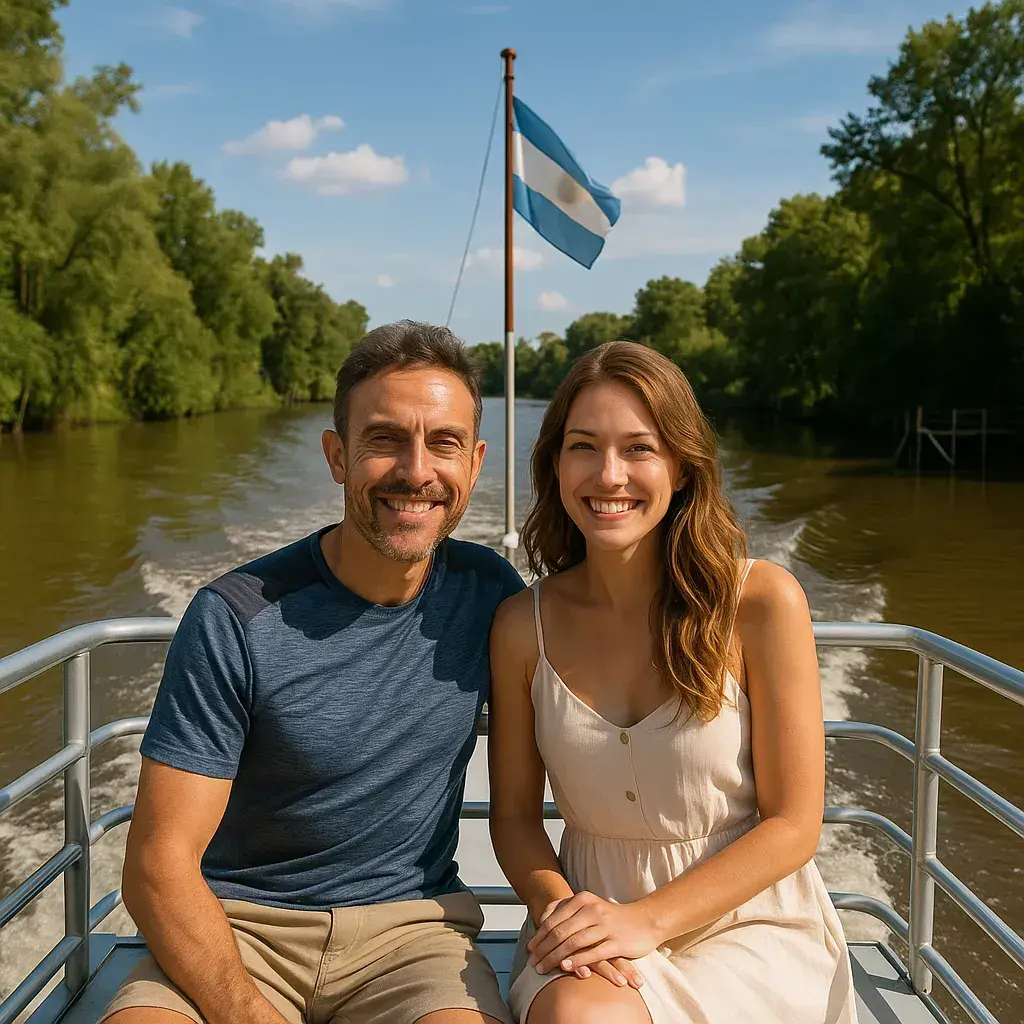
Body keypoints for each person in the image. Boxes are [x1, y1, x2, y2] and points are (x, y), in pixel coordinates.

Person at [102, 322, 524, 1024]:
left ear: (475, 463)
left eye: (442, 442)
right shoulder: (233, 616)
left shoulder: (492, 594)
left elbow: (605, 668)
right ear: (337, 455)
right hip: (238, 928)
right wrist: (243, 1011)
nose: (416, 470)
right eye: (385, 438)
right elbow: (157, 864)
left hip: (413, 938)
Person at [488, 341, 858, 1024]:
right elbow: (512, 817)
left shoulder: (762, 603)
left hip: (749, 923)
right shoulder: (521, 627)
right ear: (554, 464)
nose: (609, 474)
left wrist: (648, 923)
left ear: (683, 466)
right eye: (583, 446)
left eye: (639, 448)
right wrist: (561, 913)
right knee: (579, 1014)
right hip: (588, 923)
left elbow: (794, 824)